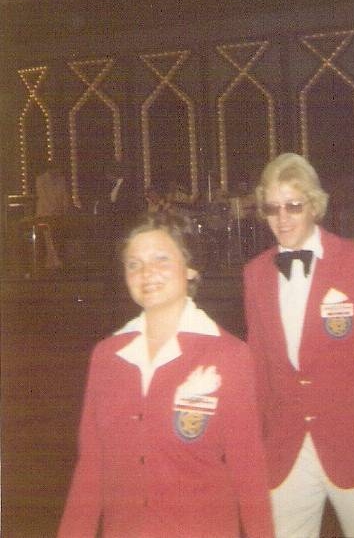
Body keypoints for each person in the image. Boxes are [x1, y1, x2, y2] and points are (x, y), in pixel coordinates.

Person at [58, 212, 273, 538]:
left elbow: (249, 471)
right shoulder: (107, 356)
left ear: (189, 268)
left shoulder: (229, 355)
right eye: (134, 264)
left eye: (161, 259)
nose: (146, 273)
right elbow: (91, 468)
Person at [243, 153, 354, 538]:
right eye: (272, 208)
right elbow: (256, 370)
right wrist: (252, 445)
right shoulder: (255, 274)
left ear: (315, 206)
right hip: (285, 446)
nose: (282, 219)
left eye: (293, 206)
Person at [35, 164, 70, 269]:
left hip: (58, 215)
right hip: (45, 213)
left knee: (57, 237)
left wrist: (64, 209)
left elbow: (65, 196)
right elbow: (44, 198)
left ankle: (56, 259)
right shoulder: (41, 180)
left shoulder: (61, 180)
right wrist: (52, 210)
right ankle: (52, 261)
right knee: (48, 237)